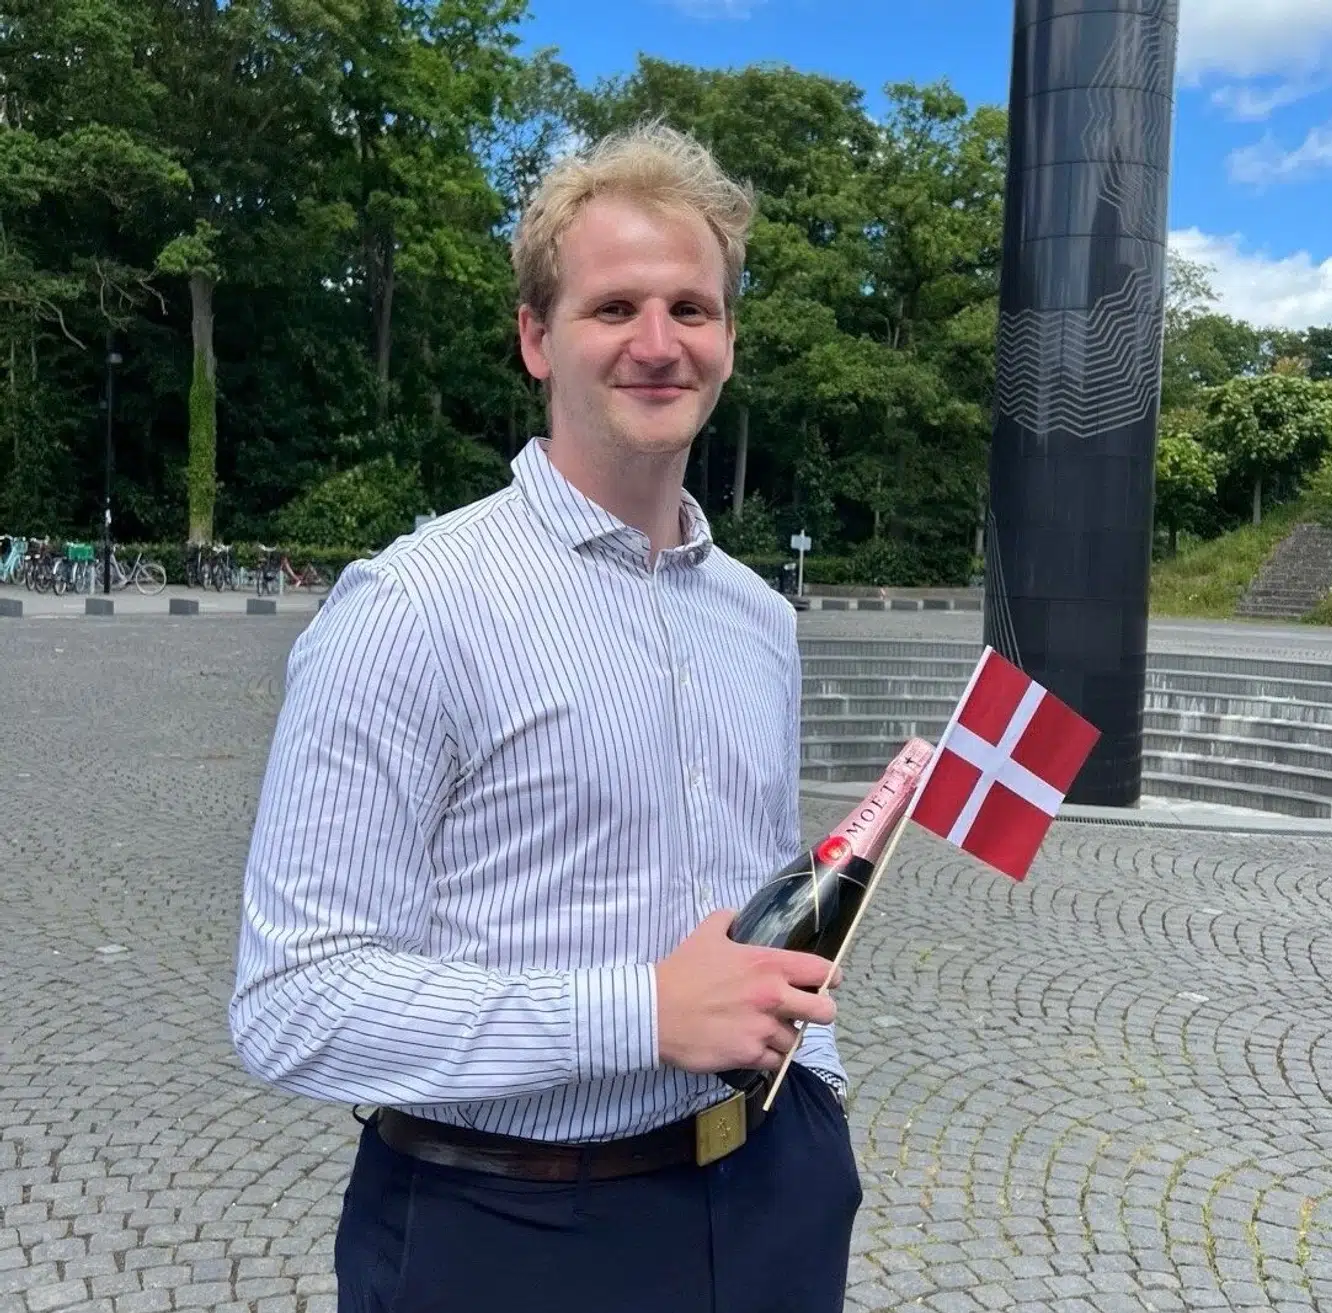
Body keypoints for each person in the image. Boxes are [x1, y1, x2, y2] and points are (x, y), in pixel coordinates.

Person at [228, 123, 861, 1312]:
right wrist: (644, 1011)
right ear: (536, 336)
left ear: (729, 337)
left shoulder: (758, 619)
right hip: (510, 1227)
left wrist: (815, 1110)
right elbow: (292, 1001)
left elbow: (756, 912)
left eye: (693, 306)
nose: (660, 343)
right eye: (614, 306)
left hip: (771, 1201)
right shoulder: (414, 606)